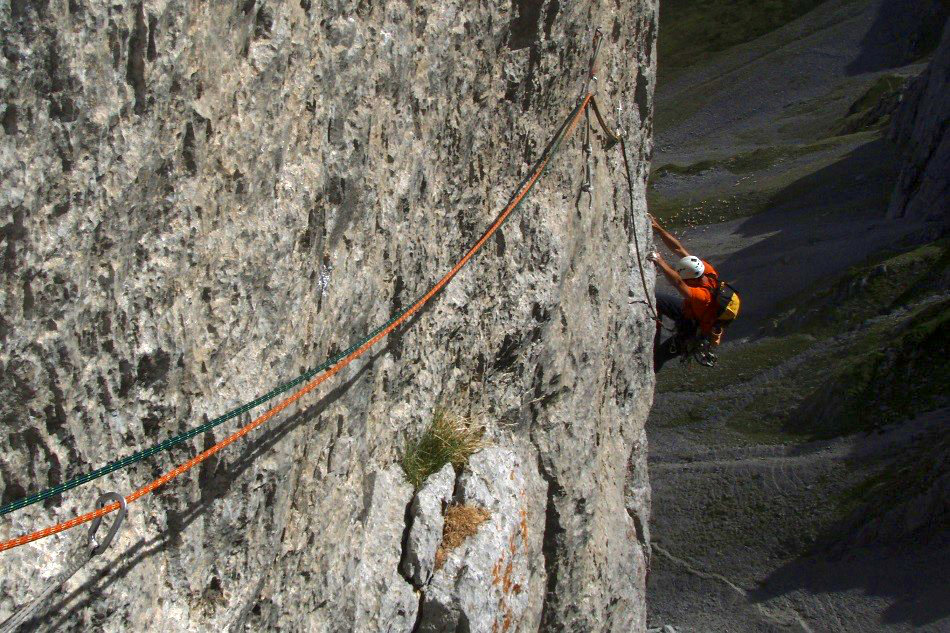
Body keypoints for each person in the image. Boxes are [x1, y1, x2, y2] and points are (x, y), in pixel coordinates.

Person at [646, 214, 737, 371]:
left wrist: (659, 261)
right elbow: (679, 249)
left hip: (694, 330)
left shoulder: (703, 297)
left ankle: (652, 366)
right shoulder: (706, 271)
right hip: (691, 312)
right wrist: (658, 229)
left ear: (692, 280)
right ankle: (654, 335)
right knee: (656, 300)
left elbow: (678, 283)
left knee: (657, 358)